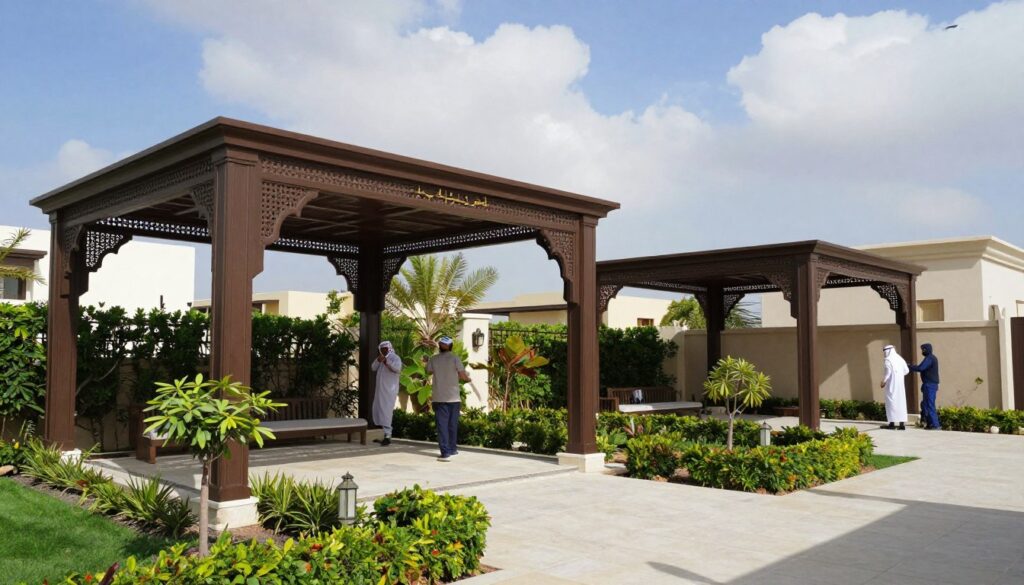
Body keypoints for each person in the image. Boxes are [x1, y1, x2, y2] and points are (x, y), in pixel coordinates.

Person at [426, 336, 470, 462]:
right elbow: (462, 375)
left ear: (440, 346)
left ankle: (445, 452)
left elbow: (428, 372)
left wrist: (427, 362)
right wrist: (468, 379)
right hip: (454, 398)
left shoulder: (433, 359)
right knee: (452, 424)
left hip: (439, 397)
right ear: (451, 346)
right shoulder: (455, 358)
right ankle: (452, 449)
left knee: (442, 425)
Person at [371, 340, 402, 446]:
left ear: (389, 348)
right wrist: (379, 361)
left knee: (386, 412)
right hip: (380, 391)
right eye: (382, 349)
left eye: (385, 349)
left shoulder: (395, 358)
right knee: (379, 410)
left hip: (389, 391)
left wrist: (386, 362)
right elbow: (373, 367)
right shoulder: (380, 358)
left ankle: (388, 436)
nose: (383, 351)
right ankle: (383, 434)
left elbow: (397, 369)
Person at [910, 343, 941, 430]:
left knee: (929, 404)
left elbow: (921, 368)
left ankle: (935, 425)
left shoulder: (930, 358)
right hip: (928, 384)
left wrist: (910, 367)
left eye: (923, 349)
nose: (922, 351)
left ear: (927, 349)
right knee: (925, 404)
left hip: (930, 385)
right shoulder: (930, 358)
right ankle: (930, 423)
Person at [879, 344, 909, 430]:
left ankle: (891, 424)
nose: (884, 353)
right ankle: (901, 425)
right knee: (901, 403)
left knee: (891, 403)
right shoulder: (900, 359)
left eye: (885, 351)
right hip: (900, 386)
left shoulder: (888, 360)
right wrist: (899, 375)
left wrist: (883, 381)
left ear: (888, 351)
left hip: (891, 385)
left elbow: (888, 373)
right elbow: (906, 370)